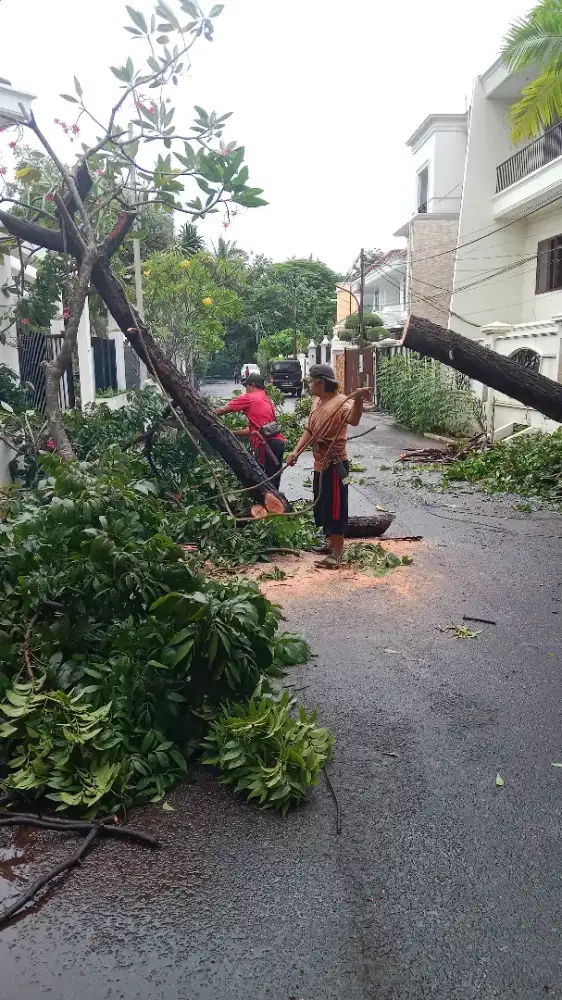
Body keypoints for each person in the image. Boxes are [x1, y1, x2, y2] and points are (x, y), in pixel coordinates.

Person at [286, 363, 371, 567]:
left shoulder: (342, 403)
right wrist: (296, 451)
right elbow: (309, 430)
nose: (308, 384)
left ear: (320, 383)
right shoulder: (316, 402)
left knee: (336, 507)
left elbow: (354, 420)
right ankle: (330, 544)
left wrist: (358, 399)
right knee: (322, 505)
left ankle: (338, 554)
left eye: (311, 380)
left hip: (336, 464)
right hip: (319, 464)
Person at [215, 373, 285, 489]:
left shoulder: (249, 397)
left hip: (267, 445)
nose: (245, 390)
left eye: (246, 387)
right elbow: (256, 430)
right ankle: (274, 504)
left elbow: (221, 410)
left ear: (252, 385)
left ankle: (269, 506)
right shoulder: (266, 399)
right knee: (273, 482)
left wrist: (204, 413)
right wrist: (232, 433)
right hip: (278, 443)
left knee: (264, 482)